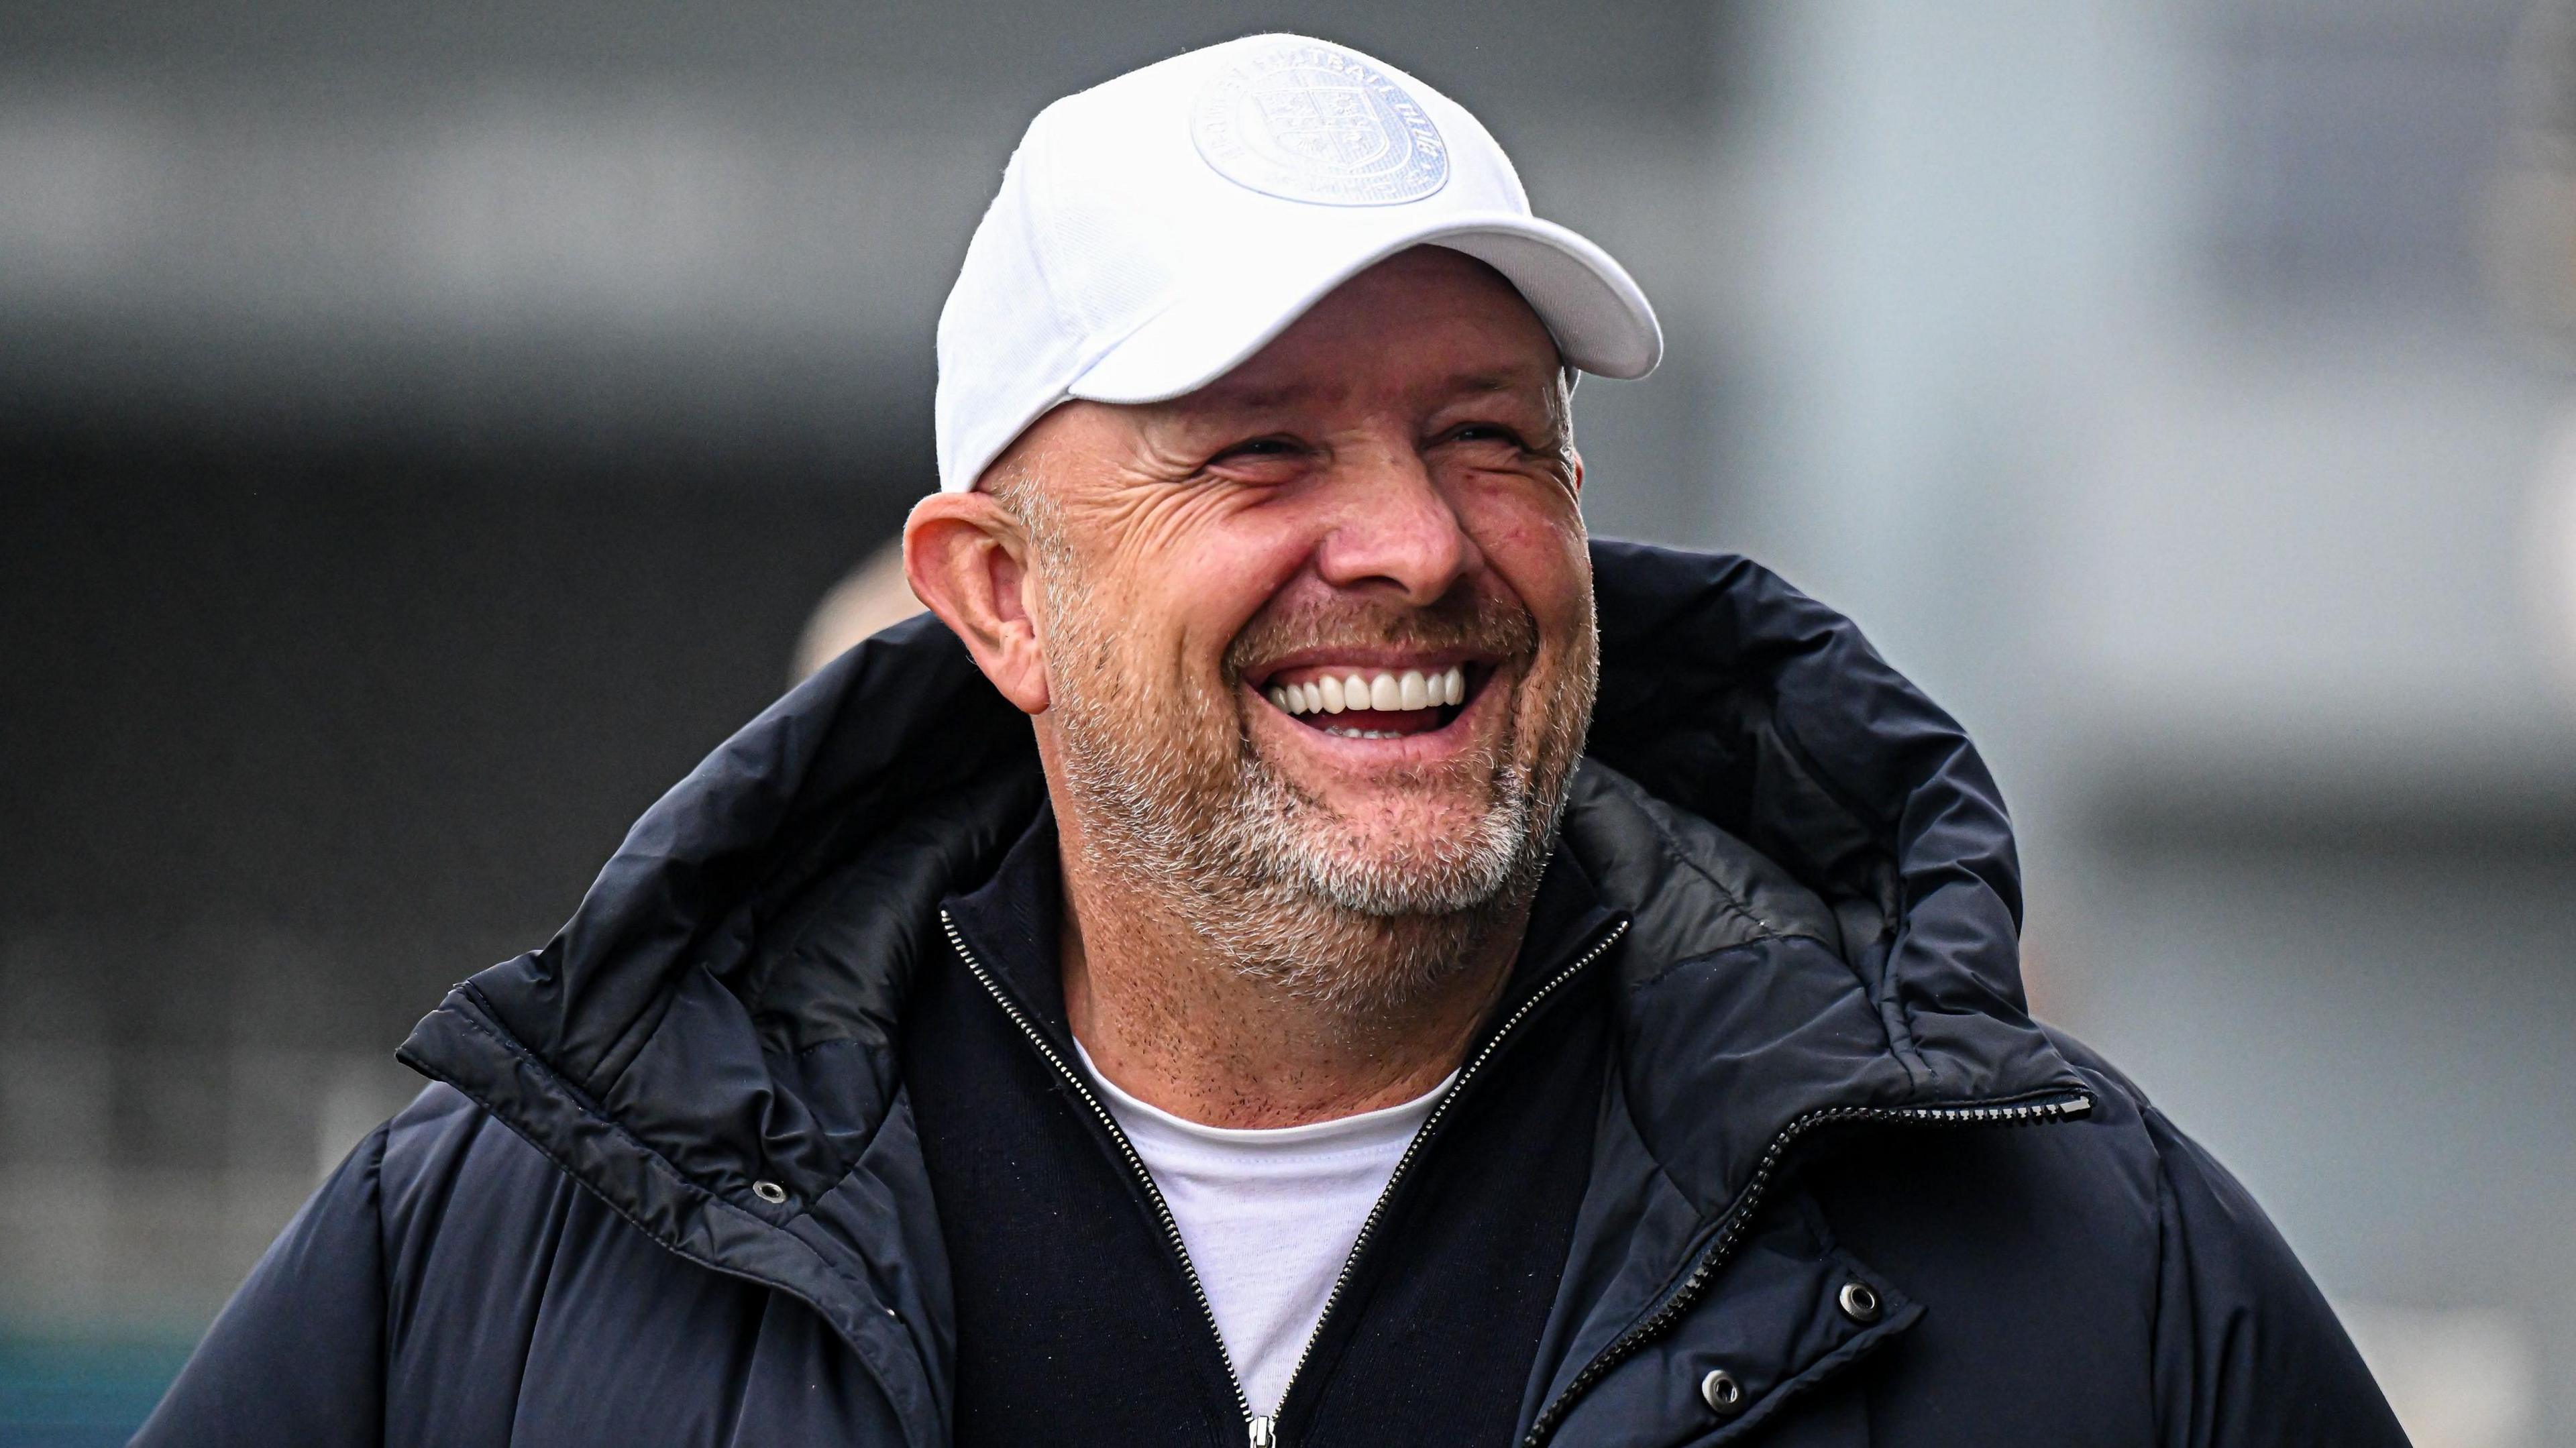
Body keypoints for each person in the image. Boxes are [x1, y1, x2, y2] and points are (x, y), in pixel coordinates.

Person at [139, 34, 2407, 1447]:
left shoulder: (2082, 1260)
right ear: (997, 597)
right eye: (1260, 452)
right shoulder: (507, 1258)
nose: (1414, 544)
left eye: (1490, 436)